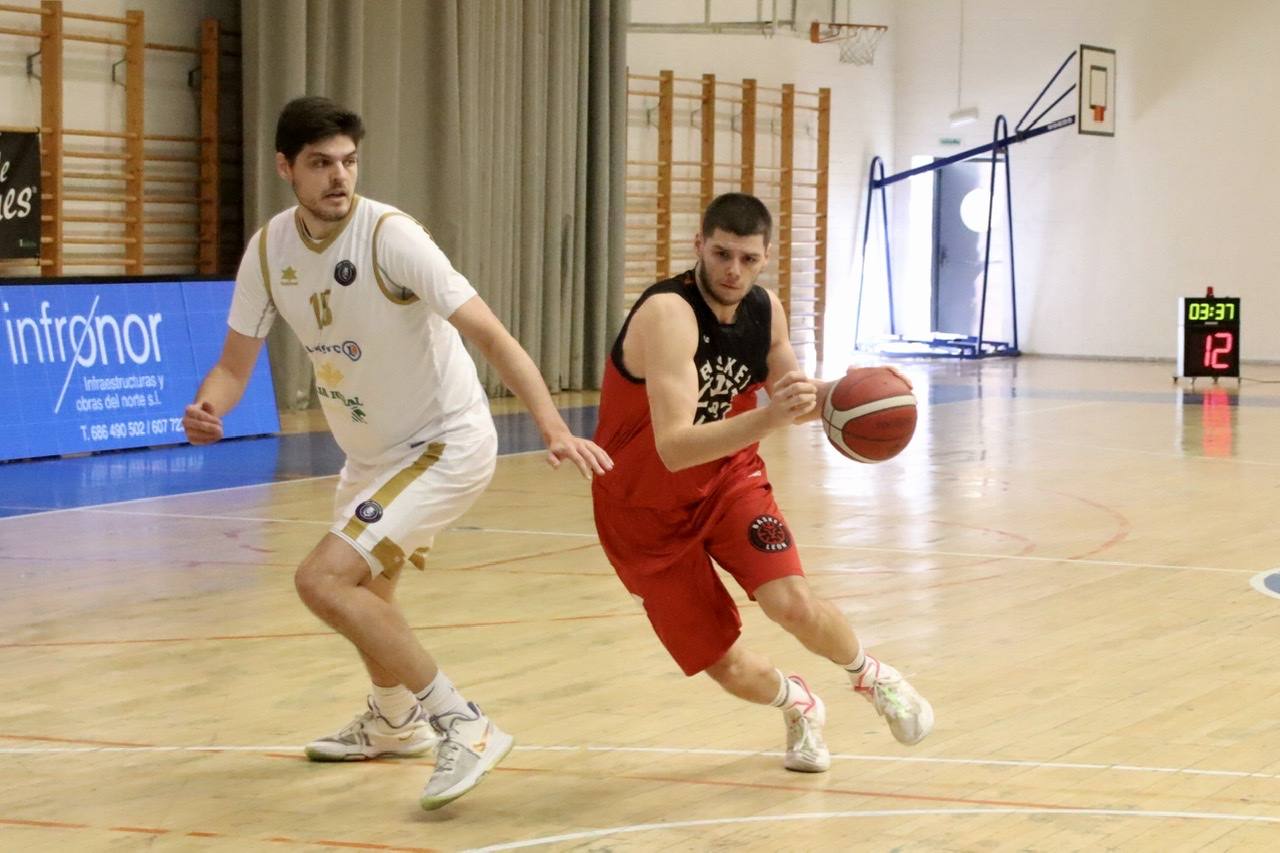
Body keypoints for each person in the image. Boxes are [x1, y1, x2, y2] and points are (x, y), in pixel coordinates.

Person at [183, 96, 612, 810]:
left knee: (322, 579)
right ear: (286, 168)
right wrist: (209, 407)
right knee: (368, 596)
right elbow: (233, 366)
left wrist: (552, 424)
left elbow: (491, 335)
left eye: (348, 161)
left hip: (445, 441)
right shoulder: (268, 251)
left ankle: (462, 722)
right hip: (370, 456)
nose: (339, 176)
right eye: (321, 163)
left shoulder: (391, 237)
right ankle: (392, 721)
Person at [591, 192, 932, 773]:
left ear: (766, 256)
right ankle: (797, 704)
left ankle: (874, 679)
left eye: (749, 259)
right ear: (699, 245)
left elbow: (794, 392)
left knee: (791, 602)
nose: (733, 270)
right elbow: (674, 447)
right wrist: (772, 415)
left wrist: (867, 388)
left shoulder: (763, 310)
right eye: (722, 254)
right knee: (725, 664)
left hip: (729, 480)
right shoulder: (668, 314)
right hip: (641, 509)